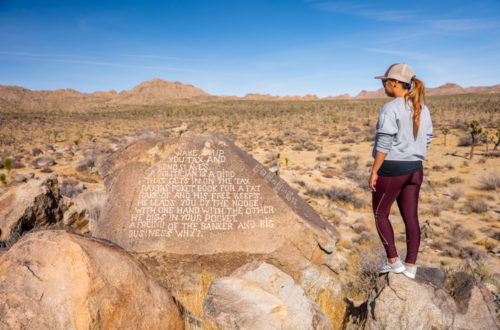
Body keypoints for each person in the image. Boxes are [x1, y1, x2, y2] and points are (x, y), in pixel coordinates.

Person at [369, 63, 433, 279]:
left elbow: (384, 143)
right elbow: (429, 137)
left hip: (392, 170)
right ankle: (411, 266)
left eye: (384, 81)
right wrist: (413, 152)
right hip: (415, 170)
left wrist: (375, 171)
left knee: (380, 213)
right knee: (411, 217)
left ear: (395, 83)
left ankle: (393, 262)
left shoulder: (390, 108)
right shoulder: (422, 108)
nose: (383, 85)